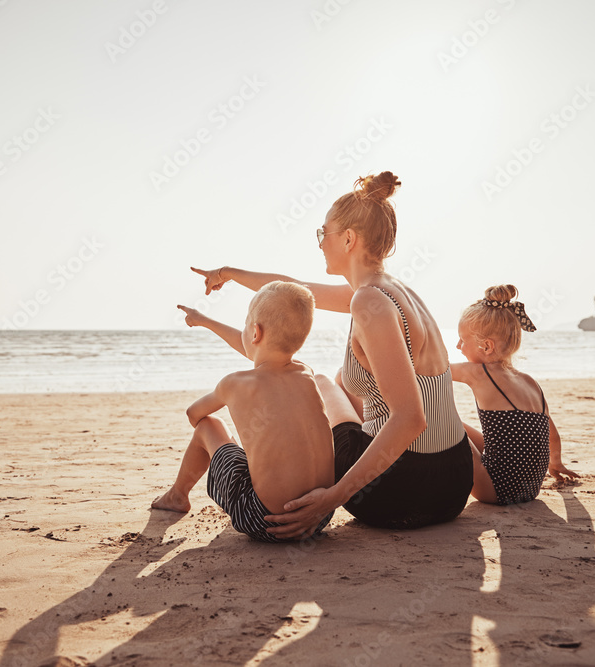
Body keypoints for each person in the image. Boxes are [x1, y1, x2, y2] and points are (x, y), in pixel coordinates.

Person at [191, 171, 473, 537]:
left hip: (402, 493)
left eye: (324, 233)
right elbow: (292, 286)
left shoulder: (370, 300)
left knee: (323, 381)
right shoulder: (390, 291)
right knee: (339, 380)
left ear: (349, 239)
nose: (321, 243)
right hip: (453, 485)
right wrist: (228, 273)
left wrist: (333, 498)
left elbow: (410, 419)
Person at [151, 281, 335, 543]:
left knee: (210, 425)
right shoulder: (305, 373)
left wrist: (232, 433)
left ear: (255, 332)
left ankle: (177, 495)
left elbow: (194, 414)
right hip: (319, 515)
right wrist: (205, 321)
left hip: (266, 521)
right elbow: (260, 351)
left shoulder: (235, 383)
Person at [452, 285, 579, 505]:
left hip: (495, 489)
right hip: (531, 489)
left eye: (462, 340)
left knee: (444, 422)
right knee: (459, 425)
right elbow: (553, 435)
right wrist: (556, 464)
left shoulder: (480, 373)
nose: (457, 346)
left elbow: (432, 369)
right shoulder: (530, 382)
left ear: (486, 346)